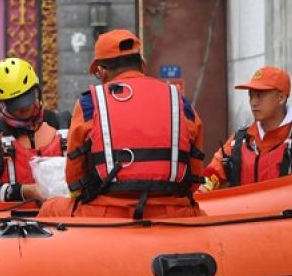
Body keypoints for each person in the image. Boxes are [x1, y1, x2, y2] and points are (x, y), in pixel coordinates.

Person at [39, 28, 205, 220]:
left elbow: (74, 178)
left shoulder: (90, 103)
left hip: (107, 212)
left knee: (48, 209)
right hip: (173, 210)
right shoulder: (178, 99)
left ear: (101, 71)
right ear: (142, 65)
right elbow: (195, 174)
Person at [0, 57, 65, 203]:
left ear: (36, 91)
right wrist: (25, 191)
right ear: (3, 103)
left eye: (26, 98)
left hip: (62, 217)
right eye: (15, 103)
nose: (23, 107)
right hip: (12, 221)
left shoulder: (60, 125)